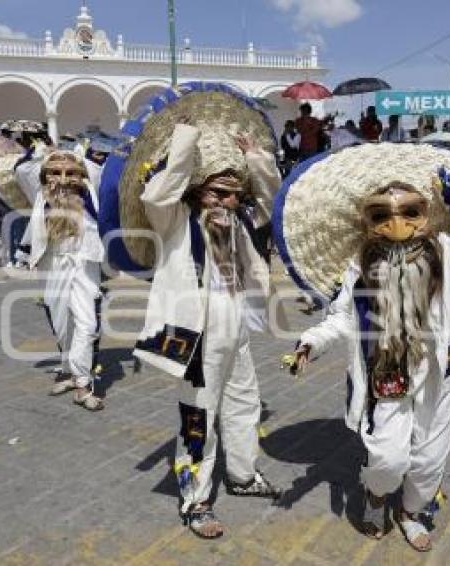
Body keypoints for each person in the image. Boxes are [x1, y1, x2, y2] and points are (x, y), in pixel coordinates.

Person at [282, 143, 450, 553]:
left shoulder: (446, 250)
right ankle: (377, 494)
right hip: (386, 372)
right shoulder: (360, 266)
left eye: (409, 212)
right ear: (368, 221)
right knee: (387, 458)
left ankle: (411, 511)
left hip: (438, 370)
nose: (397, 223)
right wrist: (310, 342)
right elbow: (342, 318)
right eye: (383, 214)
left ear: (425, 215)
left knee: (430, 456)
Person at [133, 121, 283, 538]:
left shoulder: (241, 222)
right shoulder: (176, 219)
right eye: (219, 192)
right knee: (199, 414)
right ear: (198, 191)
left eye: (235, 194)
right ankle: (196, 499)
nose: (229, 202)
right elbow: (156, 192)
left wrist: (255, 157)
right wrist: (186, 142)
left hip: (237, 327)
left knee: (244, 404)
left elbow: (276, 201)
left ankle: (242, 474)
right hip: (197, 334)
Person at [22, 151, 104, 410]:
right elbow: (21, 170)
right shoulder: (39, 194)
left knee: (87, 324)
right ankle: (71, 372)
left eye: (71, 173)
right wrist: (41, 152)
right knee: (61, 324)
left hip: (84, 265)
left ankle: (83, 384)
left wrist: (78, 158)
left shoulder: (91, 192)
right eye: (56, 173)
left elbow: (98, 170)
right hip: (54, 265)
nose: (63, 179)